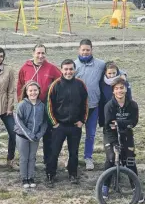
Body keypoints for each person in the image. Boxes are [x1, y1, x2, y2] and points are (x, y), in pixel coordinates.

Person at [46, 59, 88, 187]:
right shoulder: (55, 85)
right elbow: (49, 105)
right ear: (61, 70)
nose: (68, 72)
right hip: (60, 126)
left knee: (74, 152)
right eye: (66, 69)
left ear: (74, 70)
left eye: (71, 69)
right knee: (54, 151)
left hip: (75, 126)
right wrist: (55, 123)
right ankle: (50, 174)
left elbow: (85, 104)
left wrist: (82, 121)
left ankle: (73, 174)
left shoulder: (80, 84)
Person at [17, 44, 61, 165]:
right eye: (38, 53)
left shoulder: (51, 68)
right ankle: (30, 161)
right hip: (29, 108)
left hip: (45, 107)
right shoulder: (25, 68)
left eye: (43, 53)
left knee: (47, 136)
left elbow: (60, 83)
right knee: (30, 135)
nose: (40, 56)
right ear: (33, 53)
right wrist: (21, 102)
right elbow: (20, 86)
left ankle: (48, 162)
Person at [103, 77, 144, 203]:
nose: (119, 91)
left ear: (126, 89)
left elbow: (133, 122)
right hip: (111, 135)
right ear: (113, 91)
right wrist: (124, 124)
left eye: (122, 88)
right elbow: (109, 125)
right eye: (116, 89)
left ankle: (135, 186)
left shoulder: (132, 105)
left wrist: (119, 123)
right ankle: (105, 186)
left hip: (126, 134)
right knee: (111, 158)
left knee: (130, 159)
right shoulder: (109, 106)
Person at [74, 39, 105, 170]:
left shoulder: (100, 64)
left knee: (90, 134)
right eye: (83, 49)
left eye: (88, 49)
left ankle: (88, 157)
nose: (85, 52)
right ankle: (72, 157)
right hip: (77, 108)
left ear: (92, 50)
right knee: (74, 133)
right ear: (79, 50)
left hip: (93, 106)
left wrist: (123, 74)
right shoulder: (73, 65)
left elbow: (114, 70)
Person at [14, 81, 48, 188]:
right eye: (30, 90)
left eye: (35, 90)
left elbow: (44, 122)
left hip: (35, 137)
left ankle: (31, 177)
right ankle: (24, 178)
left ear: (39, 91)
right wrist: (29, 134)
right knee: (24, 158)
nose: (33, 92)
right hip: (22, 136)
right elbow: (19, 122)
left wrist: (39, 134)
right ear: (26, 92)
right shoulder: (22, 105)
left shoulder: (42, 106)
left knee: (32, 157)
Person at [98, 61, 132, 128]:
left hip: (121, 114)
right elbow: (101, 101)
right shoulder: (102, 84)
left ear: (117, 72)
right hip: (108, 113)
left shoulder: (123, 82)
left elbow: (129, 97)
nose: (112, 75)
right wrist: (102, 120)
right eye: (109, 73)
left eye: (114, 73)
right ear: (105, 73)